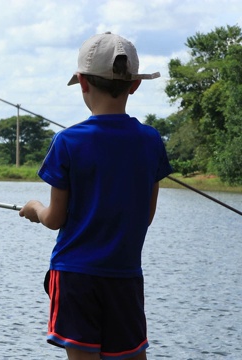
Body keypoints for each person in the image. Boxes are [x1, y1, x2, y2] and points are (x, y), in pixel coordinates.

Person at [19, 32, 173, 360]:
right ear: (134, 85)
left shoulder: (67, 142)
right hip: (125, 278)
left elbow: (55, 218)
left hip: (75, 277)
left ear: (82, 83)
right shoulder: (151, 142)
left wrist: (34, 208)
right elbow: (144, 216)